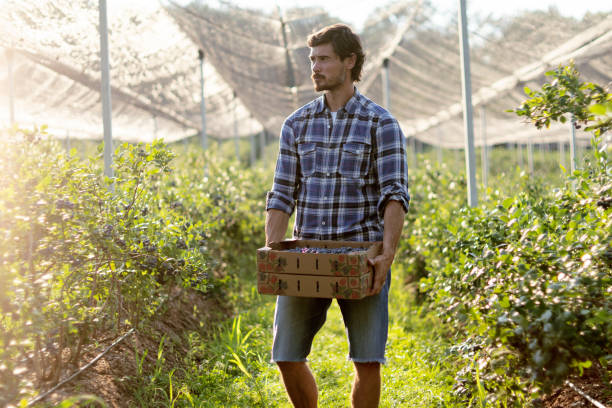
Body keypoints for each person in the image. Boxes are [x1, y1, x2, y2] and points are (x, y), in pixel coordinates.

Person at [265, 23, 410, 408]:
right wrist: (272, 251)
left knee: (367, 360)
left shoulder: (381, 124)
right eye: (313, 59)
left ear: (350, 61)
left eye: (324, 59)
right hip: (306, 254)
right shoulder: (296, 125)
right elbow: (281, 194)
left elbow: (394, 195)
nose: (315, 67)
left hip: (361, 254)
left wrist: (387, 254)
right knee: (286, 355)